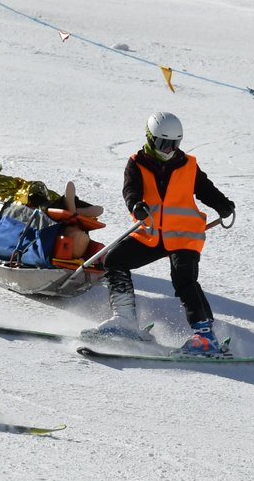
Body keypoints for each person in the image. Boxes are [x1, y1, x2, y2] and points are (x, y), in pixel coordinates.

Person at [92, 111, 236, 356]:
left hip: (184, 234)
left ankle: (205, 338)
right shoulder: (136, 162)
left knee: (184, 279)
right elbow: (131, 189)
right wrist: (136, 205)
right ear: (150, 138)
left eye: (174, 144)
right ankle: (125, 319)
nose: (169, 149)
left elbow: (205, 189)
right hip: (152, 235)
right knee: (114, 260)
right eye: (163, 143)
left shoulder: (188, 164)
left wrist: (222, 204)